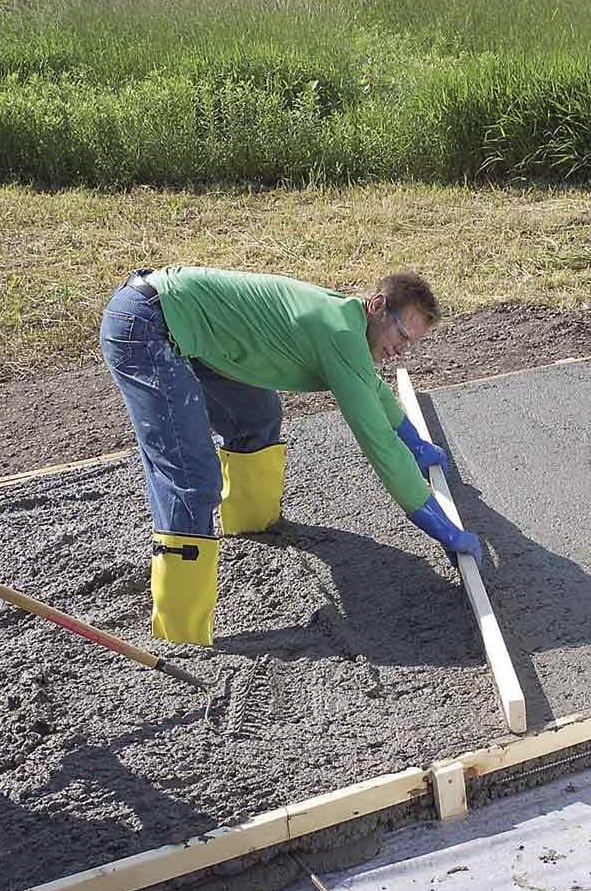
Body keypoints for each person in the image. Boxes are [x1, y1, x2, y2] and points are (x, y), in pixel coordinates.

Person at [99, 265, 482, 646]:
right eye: (402, 333)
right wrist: (439, 526)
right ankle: (180, 630)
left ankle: (253, 524)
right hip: (147, 326)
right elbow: (379, 444)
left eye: (412, 342)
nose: (403, 349)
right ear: (378, 306)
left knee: (256, 416)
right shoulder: (339, 333)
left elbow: (372, 388)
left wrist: (415, 441)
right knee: (191, 478)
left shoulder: (349, 322)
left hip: (185, 322)